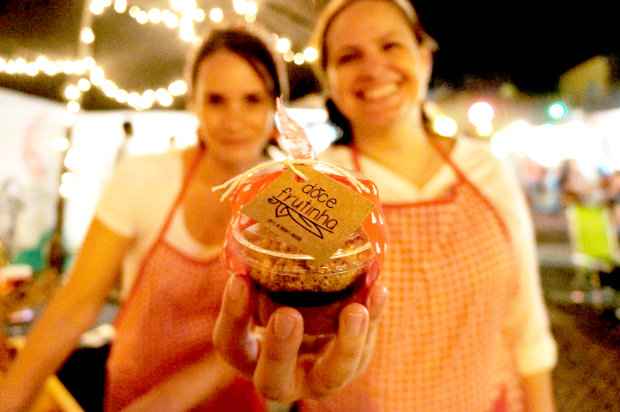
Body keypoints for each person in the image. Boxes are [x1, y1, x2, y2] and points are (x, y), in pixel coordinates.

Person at [1, 26, 375, 412]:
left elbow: (271, 327)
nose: (234, 119)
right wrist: (10, 398)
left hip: (229, 403)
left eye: (252, 99)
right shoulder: (145, 176)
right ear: (194, 103)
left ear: (274, 108)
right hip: (134, 395)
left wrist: (171, 400)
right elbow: (73, 308)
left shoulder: (294, 203)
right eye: (216, 100)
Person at [216, 1, 558, 411]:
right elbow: (285, 319)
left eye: (390, 46)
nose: (374, 68)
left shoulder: (485, 169)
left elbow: (526, 325)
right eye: (349, 56)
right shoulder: (313, 187)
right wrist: (289, 362)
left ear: (424, 57)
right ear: (331, 80)